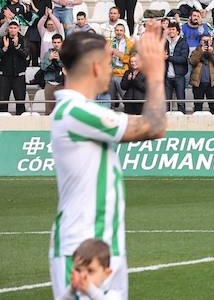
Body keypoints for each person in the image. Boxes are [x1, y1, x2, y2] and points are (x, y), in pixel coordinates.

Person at [49, 26, 168, 300]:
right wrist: (156, 74)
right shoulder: (74, 111)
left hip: (102, 244)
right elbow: (154, 126)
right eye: (107, 61)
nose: (113, 66)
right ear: (94, 66)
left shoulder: (79, 110)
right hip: (82, 249)